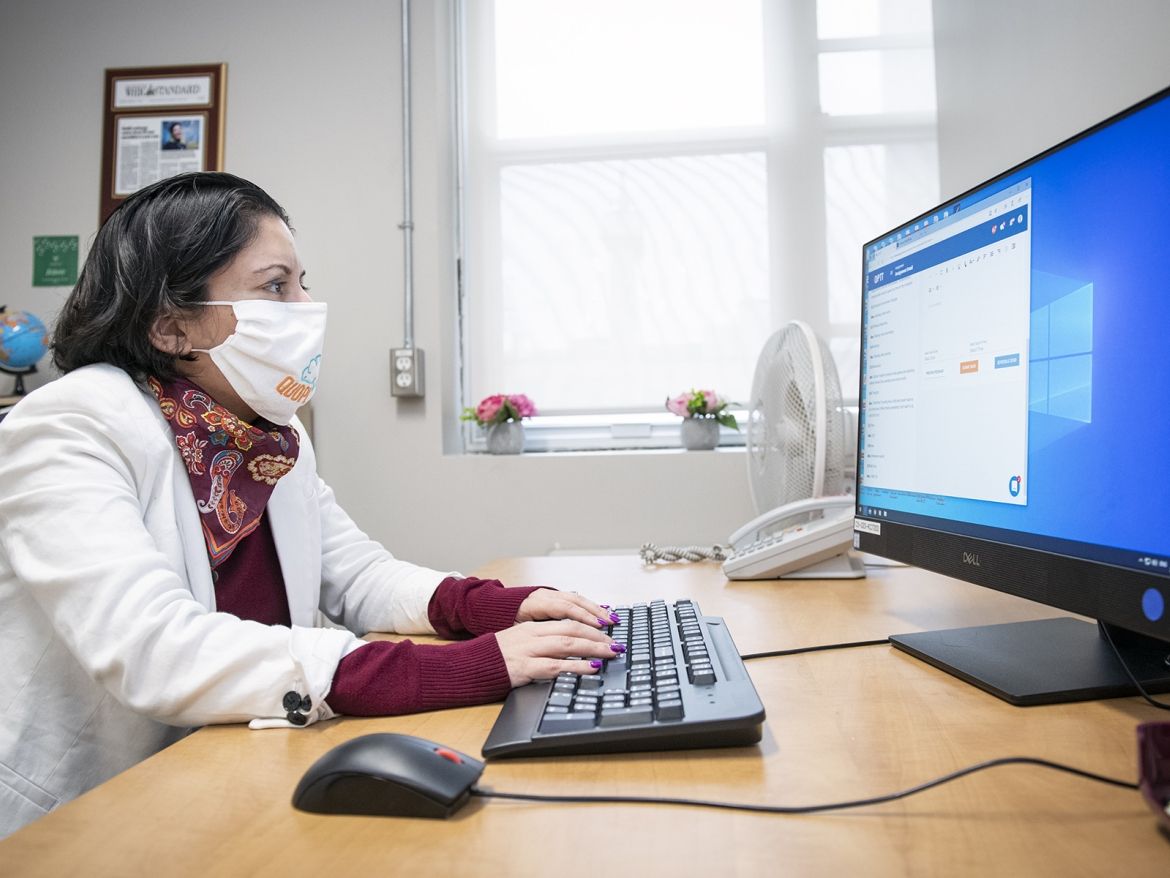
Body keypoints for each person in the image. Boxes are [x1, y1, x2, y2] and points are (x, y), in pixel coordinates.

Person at [0, 172, 621, 838]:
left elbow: (355, 574)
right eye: (275, 286)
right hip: (92, 811)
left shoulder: (270, 432)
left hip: (233, 762)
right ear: (170, 324)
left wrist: (498, 607)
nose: (305, 305)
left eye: (303, 282)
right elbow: (155, 648)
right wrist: (473, 665)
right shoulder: (67, 427)